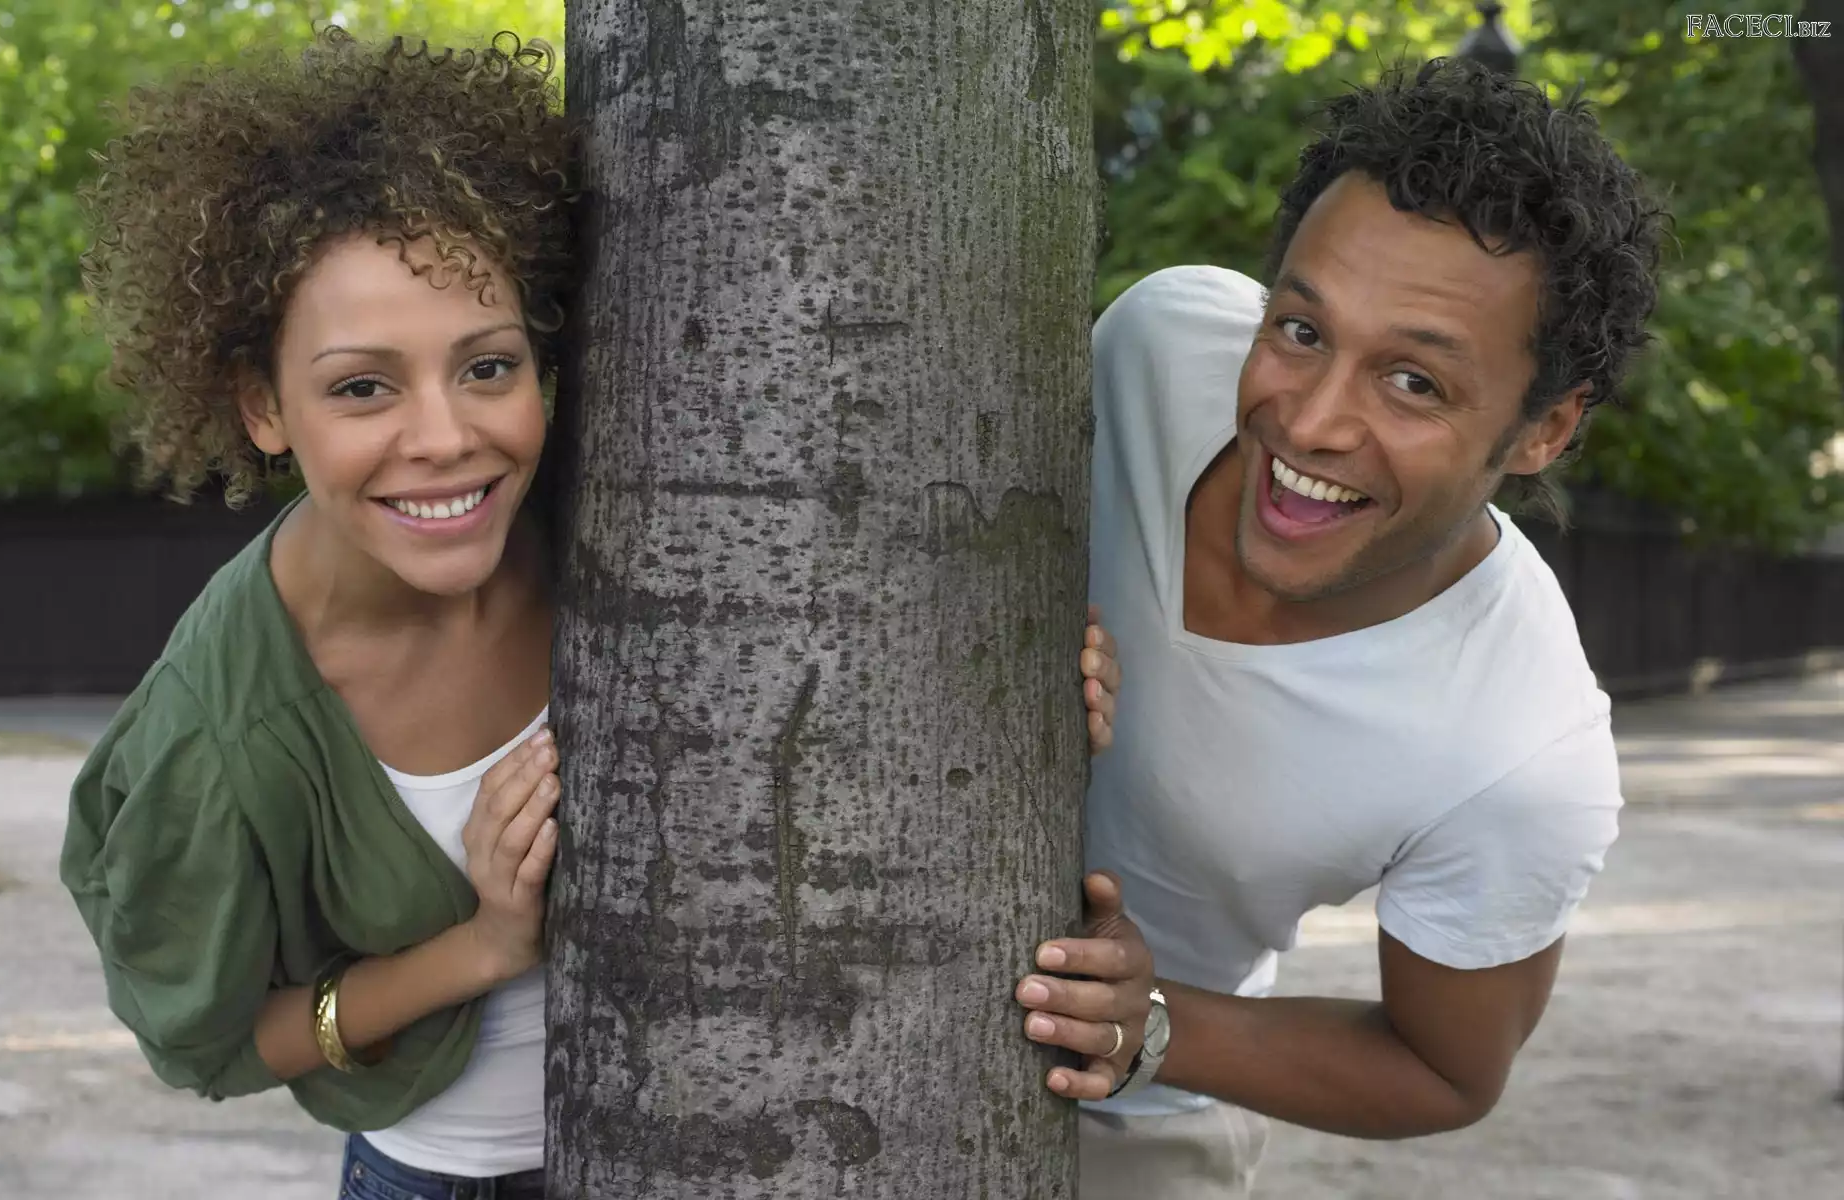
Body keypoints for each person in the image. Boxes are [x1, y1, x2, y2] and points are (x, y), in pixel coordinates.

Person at [59, 26, 1121, 1200]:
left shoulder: (629, 503)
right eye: (362, 386)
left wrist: (1012, 699)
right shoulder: (212, 734)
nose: (444, 437)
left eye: (487, 366)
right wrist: (479, 947)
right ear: (262, 405)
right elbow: (208, 1046)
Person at [1012, 57, 1669, 1197]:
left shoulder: (1522, 752)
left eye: (1414, 383)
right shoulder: (1154, 347)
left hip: (1117, 1135)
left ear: (1544, 430)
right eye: (1302, 330)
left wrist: (1151, 1021)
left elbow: (1443, 1072)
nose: (1312, 422)